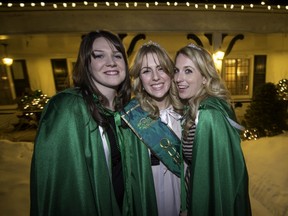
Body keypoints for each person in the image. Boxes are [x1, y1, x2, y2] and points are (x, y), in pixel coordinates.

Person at [30, 30, 157, 216]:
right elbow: (58, 188)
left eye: (117, 55)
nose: (111, 62)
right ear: (86, 64)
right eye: (99, 56)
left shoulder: (127, 112)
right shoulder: (68, 107)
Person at [174, 43, 252, 216]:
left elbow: (220, 181)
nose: (179, 78)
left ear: (204, 77)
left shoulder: (209, 115)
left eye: (188, 71)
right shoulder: (194, 109)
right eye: (176, 70)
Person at [121, 41, 183, 216]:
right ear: (139, 79)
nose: (155, 77)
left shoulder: (188, 115)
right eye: (146, 71)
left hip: (183, 197)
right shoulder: (130, 118)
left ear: (171, 73)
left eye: (161, 68)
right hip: (149, 198)